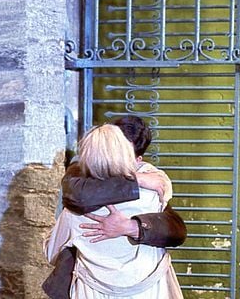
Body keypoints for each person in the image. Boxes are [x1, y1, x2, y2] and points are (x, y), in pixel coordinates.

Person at [42, 117, 186, 298]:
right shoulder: (153, 194)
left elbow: (51, 252)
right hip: (151, 290)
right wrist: (137, 180)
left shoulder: (73, 212)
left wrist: (129, 227)